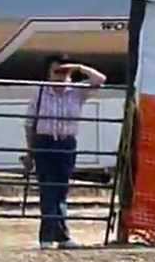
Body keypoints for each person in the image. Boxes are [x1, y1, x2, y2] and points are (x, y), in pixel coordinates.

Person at [22, 53, 106, 250]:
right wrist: (30, 150)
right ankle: (52, 236)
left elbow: (100, 79)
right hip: (44, 143)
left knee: (60, 190)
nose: (60, 76)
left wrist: (79, 67)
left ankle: (56, 236)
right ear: (48, 73)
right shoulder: (40, 92)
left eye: (64, 71)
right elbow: (29, 123)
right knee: (48, 189)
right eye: (56, 71)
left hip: (66, 144)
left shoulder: (77, 91)